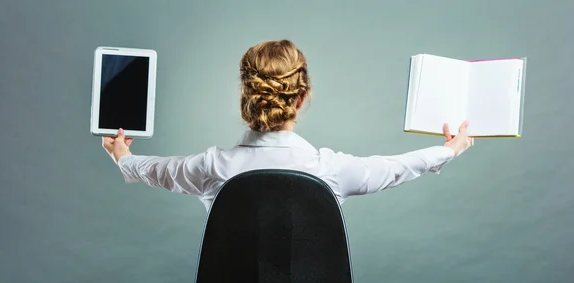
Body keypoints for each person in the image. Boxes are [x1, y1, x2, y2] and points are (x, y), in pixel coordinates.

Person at [102, 40, 473, 211]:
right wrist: (449, 150)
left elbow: (152, 170)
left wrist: (122, 156)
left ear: (246, 97)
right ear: (301, 98)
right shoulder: (330, 170)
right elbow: (396, 167)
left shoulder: (210, 167)